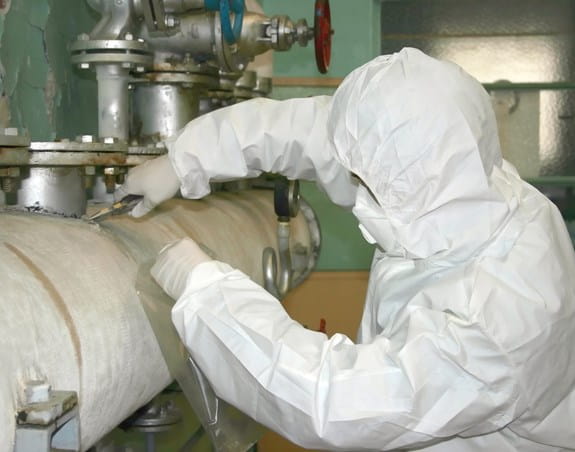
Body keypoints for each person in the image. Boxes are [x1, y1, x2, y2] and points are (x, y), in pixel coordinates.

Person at [116, 48, 575, 451]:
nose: (346, 182)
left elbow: (334, 401)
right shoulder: (457, 175)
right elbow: (316, 131)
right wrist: (184, 159)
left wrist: (207, 295)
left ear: (409, 192)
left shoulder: (499, 323)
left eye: (362, 181)